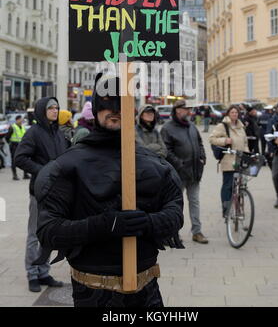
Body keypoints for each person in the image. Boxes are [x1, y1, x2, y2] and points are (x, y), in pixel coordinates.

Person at [34, 74, 184, 307]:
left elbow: (175, 214)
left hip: (147, 290)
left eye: (121, 102)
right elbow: (48, 230)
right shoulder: (68, 166)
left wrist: (147, 222)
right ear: (95, 108)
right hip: (93, 291)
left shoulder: (155, 164)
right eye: (106, 102)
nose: (114, 109)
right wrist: (105, 225)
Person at [14, 97, 67, 293]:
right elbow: (20, 158)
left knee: (49, 234)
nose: (55, 110)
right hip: (39, 191)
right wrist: (43, 170)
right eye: (50, 107)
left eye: (56, 107)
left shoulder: (58, 133)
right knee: (34, 234)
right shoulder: (33, 133)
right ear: (41, 110)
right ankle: (32, 273)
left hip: (57, 193)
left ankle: (44, 271)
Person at [161, 100, 208, 244]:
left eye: (190, 109)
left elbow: (199, 143)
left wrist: (202, 157)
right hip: (178, 174)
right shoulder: (167, 128)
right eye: (186, 109)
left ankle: (197, 231)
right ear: (177, 110)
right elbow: (166, 151)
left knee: (194, 202)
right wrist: (180, 165)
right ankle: (173, 233)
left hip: (194, 173)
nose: (189, 111)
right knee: (175, 205)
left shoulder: (192, 126)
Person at [209, 105, 249, 218]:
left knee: (241, 186)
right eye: (232, 112)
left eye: (236, 112)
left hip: (240, 160)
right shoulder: (222, 126)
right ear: (228, 113)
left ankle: (238, 209)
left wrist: (247, 154)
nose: (234, 114)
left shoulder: (241, 127)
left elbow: (245, 142)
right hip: (228, 160)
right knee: (228, 186)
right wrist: (224, 140)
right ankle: (226, 210)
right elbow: (211, 139)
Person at [6, 115, 30, 180]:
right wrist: (10, 143)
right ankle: (15, 175)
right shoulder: (12, 127)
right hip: (14, 145)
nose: (22, 121)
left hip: (22, 145)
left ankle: (25, 174)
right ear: (17, 120)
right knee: (14, 161)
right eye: (21, 119)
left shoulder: (22, 127)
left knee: (25, 159)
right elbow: (7, 137)